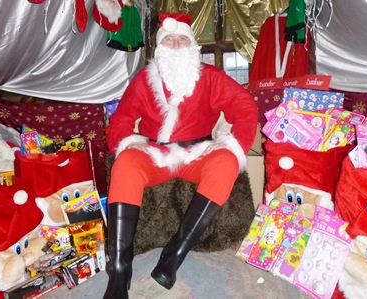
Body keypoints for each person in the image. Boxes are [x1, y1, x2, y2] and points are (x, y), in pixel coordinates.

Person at [103, 12, 258, 299]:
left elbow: (245, 106)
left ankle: (174, 255)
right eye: (169, 40)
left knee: (226, 161)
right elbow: (122, 118)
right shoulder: (143, 80)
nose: (175, 45)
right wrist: (127, 141)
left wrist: (231, 142)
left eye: (182, 39)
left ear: (193, 46)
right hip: (156, 153)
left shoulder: (212, 77)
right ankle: (121, 269)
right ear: (159, 47)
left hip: (198, 152)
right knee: (125, 163)